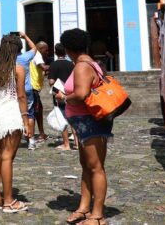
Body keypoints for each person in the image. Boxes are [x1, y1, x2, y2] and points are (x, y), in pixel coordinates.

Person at [57, 28, 113, 225]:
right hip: (84, 123)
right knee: (87, 166)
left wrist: (64, 97)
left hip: (90, 122)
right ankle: (84, 207)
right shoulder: (87, 63)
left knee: (96, 167)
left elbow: (80, 94)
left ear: (68, 48)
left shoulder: (82, 66)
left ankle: (98, 215)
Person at [0, 34, 30, 213]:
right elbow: (20, 96)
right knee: (7, 157)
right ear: (17, 50)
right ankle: (9, 201)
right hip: (10, 114)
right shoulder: (18, 69)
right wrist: (26, 119)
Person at [14, 32, 43, 150]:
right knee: (29, 114)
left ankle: (15, 139)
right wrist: (25, 36)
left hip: (13, 91)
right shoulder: (25, 57)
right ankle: (31, 140)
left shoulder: (6, 59)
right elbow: (35, 48)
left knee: (15, 114)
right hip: (27, 89)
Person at [47, 43, 77, 151]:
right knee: (72, 118)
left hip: (59, 95)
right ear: (65, 52)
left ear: (55, 52)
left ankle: (66, 144)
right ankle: (77, 143)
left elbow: (51, 82)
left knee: (61, 118)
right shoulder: (71, 64)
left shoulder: (54, 65)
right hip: (71, 94)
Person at [29, 41, 50, 146]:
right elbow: (43, 67)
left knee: (38, 111)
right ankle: (33, 135)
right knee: (35, 111)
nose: (47, 52)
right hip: (33, 88)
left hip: (34, 88)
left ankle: (41, 133)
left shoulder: (33, 55)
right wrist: (58, 65)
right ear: (40, 49)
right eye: (46, 50)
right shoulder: (37, 55)